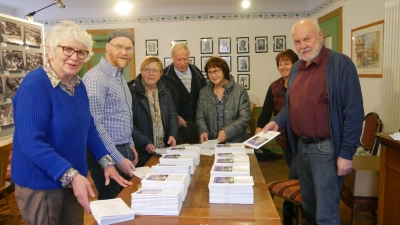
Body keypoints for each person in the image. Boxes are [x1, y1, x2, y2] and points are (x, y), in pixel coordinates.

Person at [11, 20, 132, 225]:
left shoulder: (78, 84)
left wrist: (106, 162)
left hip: (73, 181)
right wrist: (72, 176)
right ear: (51, 50)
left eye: (81, 52)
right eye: (68, 49)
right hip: (42, 185)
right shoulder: (35, 85)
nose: (74, 57)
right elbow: (31, 142)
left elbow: (89, 127)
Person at [263, 19, 364, 224]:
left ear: (320, 36)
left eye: (307, 39)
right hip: (301, 149)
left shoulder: (340, 65)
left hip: (326, 150)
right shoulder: (297, 68)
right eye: (297, 41)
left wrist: (346, 153)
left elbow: (353, 113)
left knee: (325, 213)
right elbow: (291, 107)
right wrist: (277, 122)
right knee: (309, 206)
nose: (303, 45)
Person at [82, 29, 138, 200]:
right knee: (113, 203)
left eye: (128, 49)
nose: (124, 52)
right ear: (107, 47)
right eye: (119, 47)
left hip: (123, 148)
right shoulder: (95, 78)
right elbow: (95, 125)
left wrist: (131, 143)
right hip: (105, 153)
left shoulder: (119, 76)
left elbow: (124, 114)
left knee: (127, 200)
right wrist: (118, 158)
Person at [255, 49, 299, 225]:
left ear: (296, 64)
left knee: (295, 174)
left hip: (303, 140)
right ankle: (294, 209)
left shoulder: (302, 83)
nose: (283, 66)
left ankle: (289, 211)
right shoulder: (274, 86)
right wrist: (258, 131)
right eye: (280, 63)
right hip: (285, 140)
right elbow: (265, 112)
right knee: (294, 174)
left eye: (286, 62)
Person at [128, 56, 179, 167]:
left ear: (160, 74)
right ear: (141, 72)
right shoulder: (131, 92)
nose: (151, 73)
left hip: (163, 151)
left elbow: (173, 115)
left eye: (155, 70)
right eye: (147, 70)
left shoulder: (164, 91)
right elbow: (128, 124)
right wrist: (144, 142)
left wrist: (172, 134)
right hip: (141, 153)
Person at [197, 57, 250, 143]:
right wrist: (203, 131)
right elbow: (200, 117)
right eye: (210, 72)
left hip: (235, 141)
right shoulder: (204, 92)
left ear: (224, 71)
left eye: (216, 71)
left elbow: (245, 118)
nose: (213, 75)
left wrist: (226, 131)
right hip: (212, 142)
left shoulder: (240, 91)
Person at [161, 43, 207, 144]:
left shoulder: (197, 72)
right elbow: (161, 102)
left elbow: (205, 97)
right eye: (179, 59)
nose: (182, 63)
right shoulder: (164, 76)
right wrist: (174, 116)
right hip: (175, 127)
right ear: (172, 58)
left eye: (185, 59)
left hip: (195, 126)